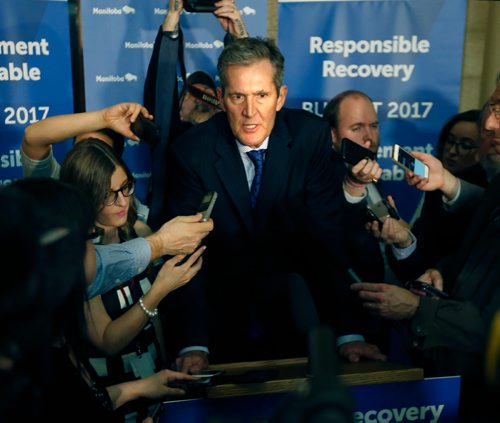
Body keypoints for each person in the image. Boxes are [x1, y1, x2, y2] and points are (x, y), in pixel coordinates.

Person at [163, 37, 387, 371]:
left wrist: (348, 333)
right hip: (218, 316)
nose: (250, 112)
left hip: (295, 310)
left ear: (280, 97)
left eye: (262, 96)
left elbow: (326, 240)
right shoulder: (191, 151)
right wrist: (194, 341)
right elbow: (185, 252)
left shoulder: (310, 137)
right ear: (222, 98)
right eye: (238, 96)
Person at [351, 76, 500, 422]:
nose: (489, 124)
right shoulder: (484, 184)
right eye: (492, 107)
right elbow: (486, 226)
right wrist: (445, 271)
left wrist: (417, 308)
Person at [0, 178, 196, 422]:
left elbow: (76, 403)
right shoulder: (41, 368)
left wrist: (137, 388)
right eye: (89, 238)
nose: (99, 253)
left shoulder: (39, 343)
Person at [60, 139, 205, 421]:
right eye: (108, 194)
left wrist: (169, 359)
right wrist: (160, 288)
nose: (123, 202)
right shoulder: (85, 255)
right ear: (85, 196)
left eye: (126, 187)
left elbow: (157, 319)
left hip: (154, 376)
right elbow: (106, 341)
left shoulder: (138, 230)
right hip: (111, 390)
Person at [20, 102, 214, 299]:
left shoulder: (131, 210)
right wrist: (103, 117)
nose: (120, 201)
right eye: (84, 152)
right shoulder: (56, 199)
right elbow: (33, 137)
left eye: (100, 154)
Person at [144, 0, 249, 230]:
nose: (201, 100)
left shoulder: (236, 135)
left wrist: (238, 35)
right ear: (179, 104)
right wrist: (171, 21)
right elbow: (161, 89)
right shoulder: (169, 138)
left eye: (208, 96)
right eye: (193, 93)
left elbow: (249, 83)